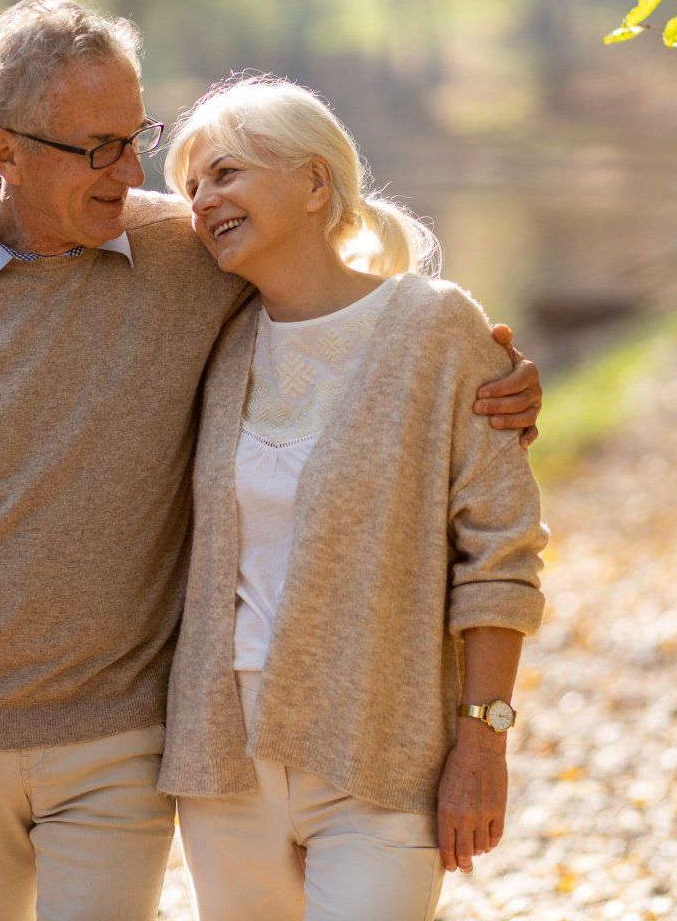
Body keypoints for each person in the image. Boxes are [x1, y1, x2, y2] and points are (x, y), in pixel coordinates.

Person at [0, 0, 543, 921]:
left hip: (125, 729)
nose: (137, 176)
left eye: (137, 137)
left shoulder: (185, 253)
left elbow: (355, 319)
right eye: (98, 148)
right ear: (6, 152)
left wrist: (501, 381)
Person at [156, 77, 548, 921]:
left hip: (382, 745)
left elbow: (501, 550)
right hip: (222, 758)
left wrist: (483, 738)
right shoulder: (213, 344)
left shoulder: (436, 328)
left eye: (224, 173)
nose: (202, 201)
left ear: (313, 182)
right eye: (191, 188)